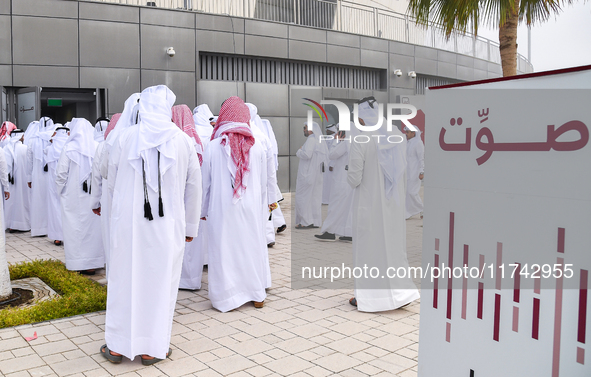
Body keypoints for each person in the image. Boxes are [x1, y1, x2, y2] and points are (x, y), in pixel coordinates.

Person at [102, 85, 201, 365]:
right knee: (159, 284)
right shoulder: (183, 140)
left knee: (124, 281)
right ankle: (152, 349)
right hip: (167, 227)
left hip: (128, 227)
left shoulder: (124, 138)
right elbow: (194, 185)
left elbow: (111, 183)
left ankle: (118, 347)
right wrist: (190, 227)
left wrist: (121, 213)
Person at [347, 97, 420, 312]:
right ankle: (401, 293)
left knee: (369, 252)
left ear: (362, 117)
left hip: (369, 206)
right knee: (394, 250)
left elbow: (353, 179)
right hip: (393, 207)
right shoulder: (397, 136)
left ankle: (368, 298)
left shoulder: (361, 140)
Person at [201, 96, 270, 312]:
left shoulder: (213, 147)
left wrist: (202, 210)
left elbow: (206, 184)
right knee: (251, 248)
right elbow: (262, 184)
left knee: (224, 251)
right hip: (250, 209)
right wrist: (261, 207)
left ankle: (225, 299)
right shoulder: (256, 146)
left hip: (222, 210)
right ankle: (256, 294)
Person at [56, 118, 104, 274]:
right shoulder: (97, 146)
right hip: (93, 195)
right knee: (93, 229)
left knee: (75, 229)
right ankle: (93, 263)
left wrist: (59, 191)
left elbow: (61, 174)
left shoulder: (68, 148)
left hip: (72, 196)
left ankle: (78, 263)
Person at [172, 104, 207, 291]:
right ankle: (192, 280)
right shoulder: (194, 139)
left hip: (182, 197)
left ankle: (184, 280)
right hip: (194, 199)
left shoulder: (179, 140)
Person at [90, 114, 120, 276]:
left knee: (111, 236)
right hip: (134, 202)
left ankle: (113, 275)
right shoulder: (136, 141)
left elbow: (98, 175)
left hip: (109, 199)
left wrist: (95, 202)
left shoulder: (104, 145)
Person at [315, 125, 354, 242]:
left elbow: (332, 154)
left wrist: (336, 141)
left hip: (341, 179)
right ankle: (347, 233)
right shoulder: (352, 142)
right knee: (347, 207)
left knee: (335, 205)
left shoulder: (344, 143)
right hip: (347, 179)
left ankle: (329, 232)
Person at [295, 121, 328, 229]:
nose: (303, 130)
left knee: (303, 198)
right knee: (314, 198)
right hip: (313, 174)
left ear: (310, 130)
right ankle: (314, 221)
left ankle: (305, 222)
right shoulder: (316, 141)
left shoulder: (311, 140)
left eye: (304, 128)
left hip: (307, 174)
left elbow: (306, 154)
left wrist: (299, 151)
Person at [26, 116, 55, 236]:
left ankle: (39, 229)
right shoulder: (54, 138)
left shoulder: (33, 140)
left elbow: (29, 161)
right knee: (52, 201)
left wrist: (29, 177)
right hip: (52, 175)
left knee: (38, 200)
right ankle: (52, 228)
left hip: (37, 175)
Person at [44, 126, 70, 245]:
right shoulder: (69, 147)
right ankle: (68, 235)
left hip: (53, 184)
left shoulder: (50, 149)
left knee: (55, 208)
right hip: (67, 182)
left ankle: (58, 236)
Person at [4, 130, 27, 232]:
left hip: (9, 181)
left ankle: (9, 224)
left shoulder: (6, 148)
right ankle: (21, 225)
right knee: (21, 201)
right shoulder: (24, 148)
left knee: (10, 202)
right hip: (23, 180)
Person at [404, 126, 424, 219]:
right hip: (407, 173)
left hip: (415, 173)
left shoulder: (418, 143)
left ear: (413, 133)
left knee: (412, 193)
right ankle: (407, 212)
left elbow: (421, 159)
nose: (406, 134)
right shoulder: (407, 143)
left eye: (408, 132)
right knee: (407, 193)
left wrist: (421, 171)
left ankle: (422, 208)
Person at [321, 124, 337, 205]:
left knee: (330, 183)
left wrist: (332, 164)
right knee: (326, 183)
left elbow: (334, 152)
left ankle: (329, 200)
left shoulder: (335, 138)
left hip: (331, 165)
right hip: (327, 164)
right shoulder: (329, 137)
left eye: (328, 130)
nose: (326, 131)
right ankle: (325, 199)